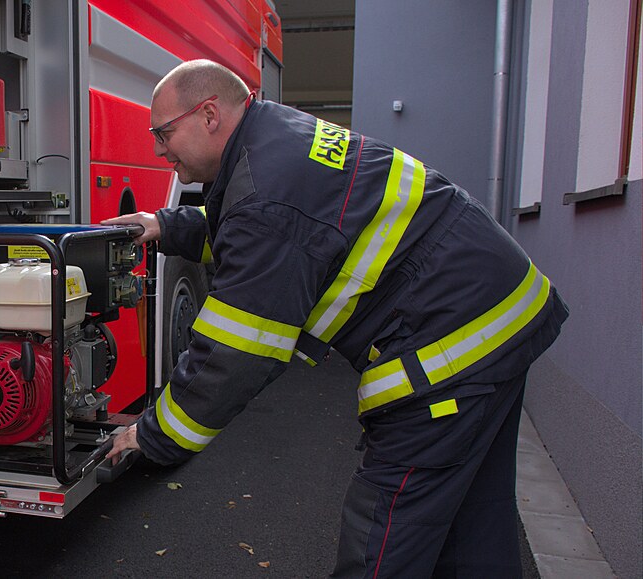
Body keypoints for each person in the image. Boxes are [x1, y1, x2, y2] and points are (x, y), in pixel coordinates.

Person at [101, 59, 568, 577]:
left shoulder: (267, 194)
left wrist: (152, 435)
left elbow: (233, 356)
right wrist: (164, 224)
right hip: (499, 311)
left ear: (208, 114)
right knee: (473, 518)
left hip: (452, 347)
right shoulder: (273, 139)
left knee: (385, 535)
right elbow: (265, 228)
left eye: (163, 132)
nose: (157, 149)